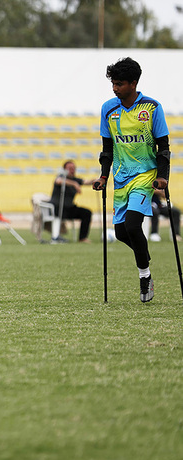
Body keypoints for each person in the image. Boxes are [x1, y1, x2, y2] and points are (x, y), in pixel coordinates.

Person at [93, 57, 170, 303]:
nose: (115, 88)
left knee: (133, 226)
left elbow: (164, 146)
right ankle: (144, 256)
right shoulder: (108, 109)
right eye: (113, 83)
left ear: (134, 83)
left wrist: (162, 176)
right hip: (121, 178)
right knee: (121, 233)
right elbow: (107, 149)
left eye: (120, 83)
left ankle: (144, 277)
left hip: (145, 175)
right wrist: (104, 176)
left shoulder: (152, 107)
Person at [49, 160, 95, 243]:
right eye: (70, 168)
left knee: (87, 213)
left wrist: (96, 181)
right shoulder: (61, 177)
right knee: (58, 212)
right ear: (64, 169)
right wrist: (74, 184)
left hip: (69, 209)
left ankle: (82, 238)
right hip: (58, 209)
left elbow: (86, 182)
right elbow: (58, 181)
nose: (72, 170)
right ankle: (56, 237)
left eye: (74, 168)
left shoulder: (75, 179)